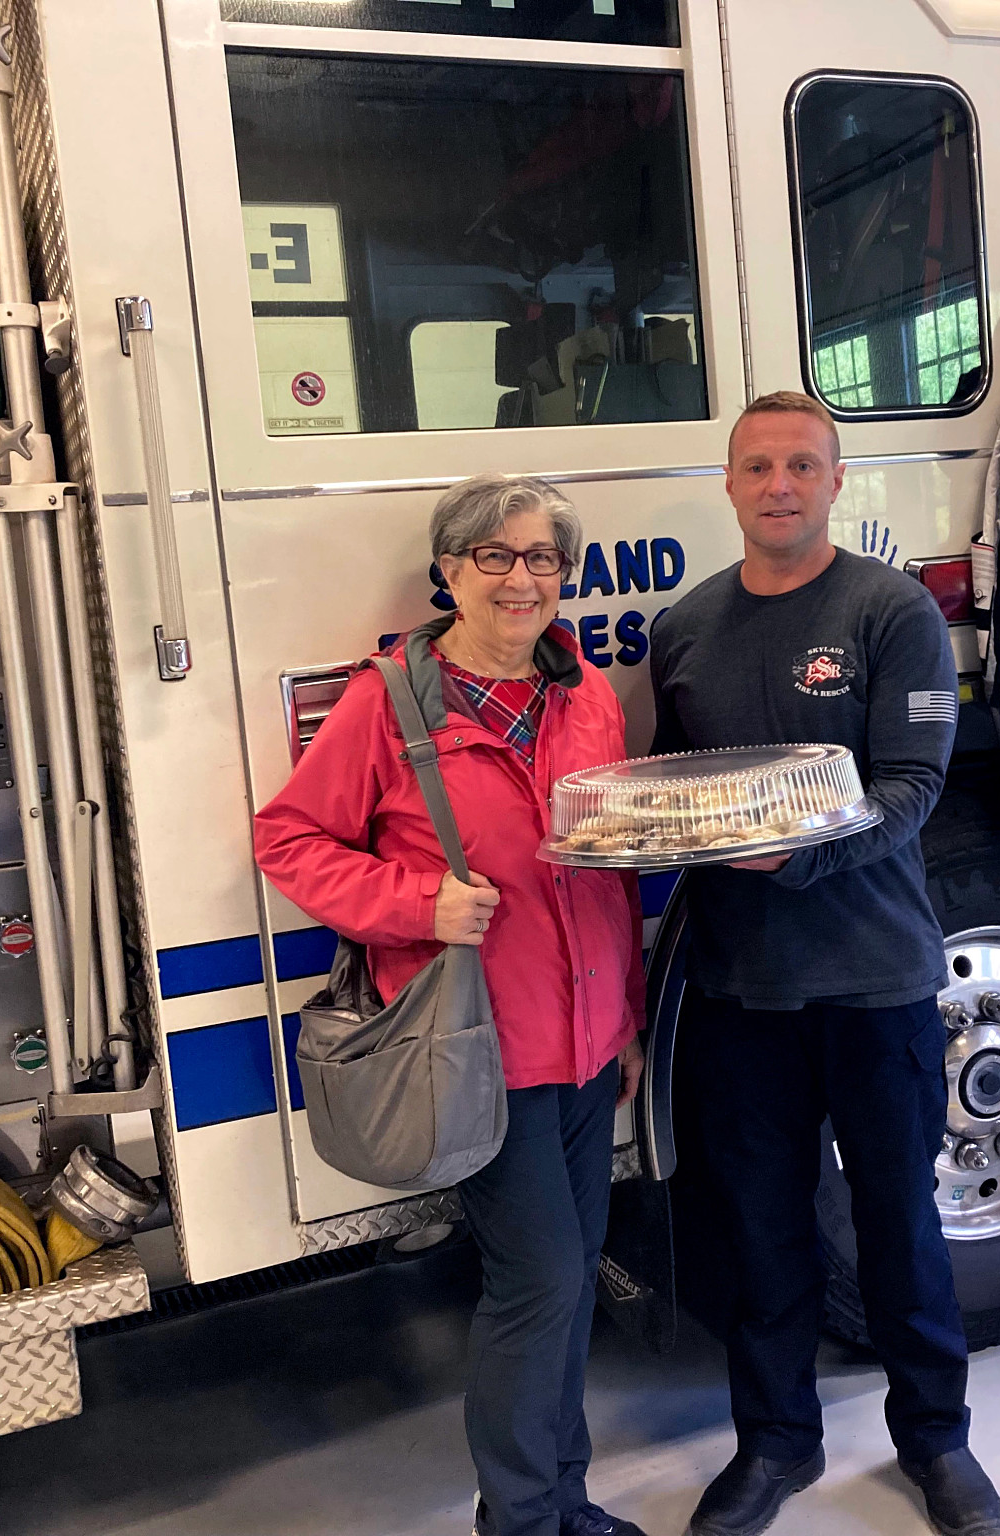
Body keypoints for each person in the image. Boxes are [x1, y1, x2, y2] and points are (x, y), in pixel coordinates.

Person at [254, 473, 649, 1536]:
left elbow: (608, 871)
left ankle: (563, 1501)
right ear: (448, 573)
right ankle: (519, 1519)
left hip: (585, 1037)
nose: (519, 580)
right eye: (493, 557)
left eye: (540, 559)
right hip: (477, 1049)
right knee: (542, 1285)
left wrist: (630, 1019)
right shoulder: (390, 702)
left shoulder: (586, 693)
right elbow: (285, 839)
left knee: (563, 1290)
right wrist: (414, 903)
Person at [651, 393, 1000, 1536]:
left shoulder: (886, 609)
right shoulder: (685, 628)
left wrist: (785, 864)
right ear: (727, 485)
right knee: (760, 1232)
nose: (778, 485)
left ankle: (936, 1442)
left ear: (834, 481)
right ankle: (775, 1446)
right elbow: (670, 795)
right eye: (756, 465)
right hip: (737, 991)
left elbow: (912, 789)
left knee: (900, 1227)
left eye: (801, 464)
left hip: (873, 982)